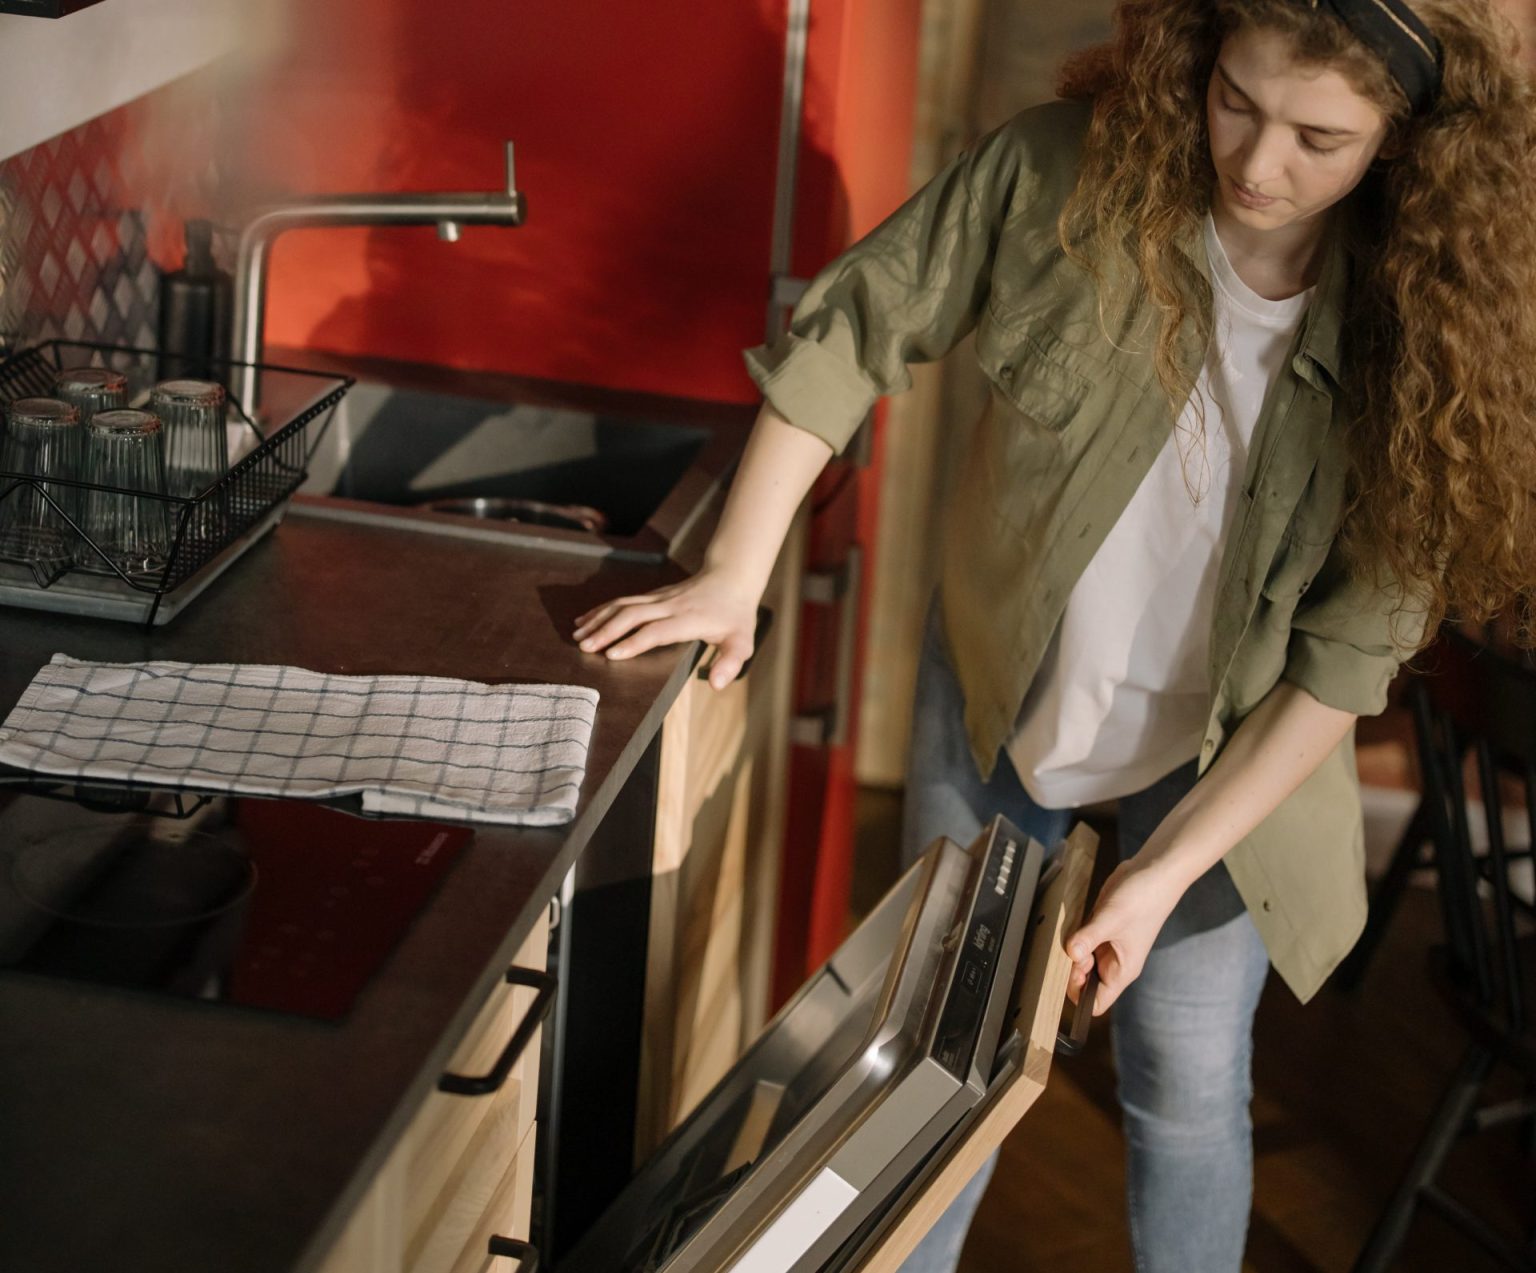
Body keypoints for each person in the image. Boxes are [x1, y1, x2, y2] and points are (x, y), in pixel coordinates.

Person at [574, 0, 1536, 1268]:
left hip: (1231, 754)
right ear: (1201, 59)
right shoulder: (1061, 172)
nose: (1258, 162)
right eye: (1236, 102)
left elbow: (1338, 671)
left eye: (1319, 139)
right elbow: (859, 326)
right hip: (999, 689)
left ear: (1399, 141)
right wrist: (732, 573)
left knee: (1185, 1086)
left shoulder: (1425, 337)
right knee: (938, 1058)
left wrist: (1160, 875)